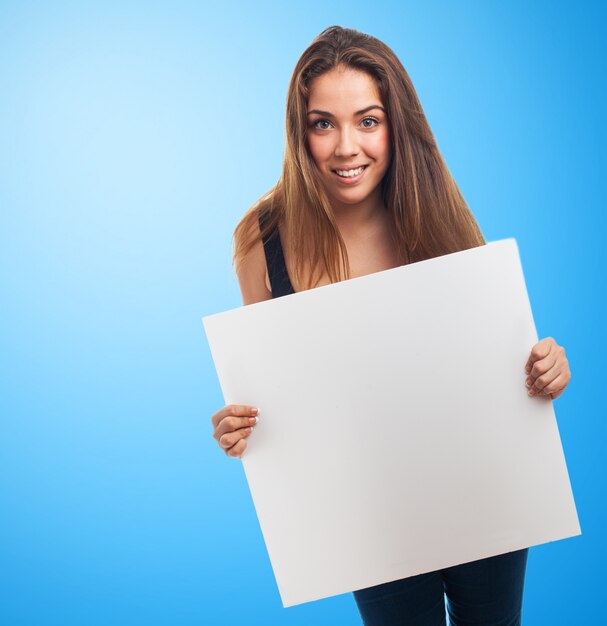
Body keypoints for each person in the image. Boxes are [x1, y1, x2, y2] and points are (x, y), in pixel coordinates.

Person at [210, 25, 571, 626]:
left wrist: (545, 370)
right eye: (323, 123)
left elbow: (499, 363)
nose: (346, 146)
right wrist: (240, 427)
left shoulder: (436, 217)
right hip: (367, 517)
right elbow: (272, 393)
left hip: (478, 488)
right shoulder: (262, 241)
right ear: (300, 132)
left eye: (368, 121)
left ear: (395, 124)